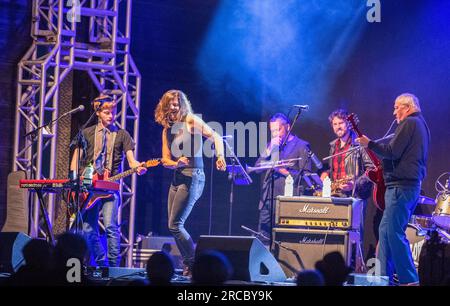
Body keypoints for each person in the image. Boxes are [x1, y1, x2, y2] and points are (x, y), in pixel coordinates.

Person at [357, 93, 430, 285]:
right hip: (404, 186)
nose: (394, 112)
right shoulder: (421, 125)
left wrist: (369, 144)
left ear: (407, 107)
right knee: (386, 232)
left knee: (395, 233)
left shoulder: (410, 123)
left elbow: (392, 152)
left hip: (401, 187)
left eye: (397, 107)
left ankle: (410, 279)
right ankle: (381, 278)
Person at [154, 89, 226, 276]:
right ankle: (191, 264)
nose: (173, 108)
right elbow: (165, 160)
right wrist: (175, 163)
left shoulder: (191, 121)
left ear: (182, 105)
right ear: (164, 107)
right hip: (177, 177)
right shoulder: (166, 130)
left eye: (176, 104)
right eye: (170, 105)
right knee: (173, 226)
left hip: (194, 176)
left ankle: (194, 264)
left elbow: (216, 136)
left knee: (176, 224)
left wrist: (220, 156)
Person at [70, 95, 147, 267]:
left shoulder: (122, 135)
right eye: (106, 112)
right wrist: (74, 181)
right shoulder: (86, 133)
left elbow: (131, 159)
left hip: (110, 187)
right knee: (88, 228)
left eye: (113, 112)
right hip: (88, 187)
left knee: (111, 226)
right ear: (98, 113)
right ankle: (101, 262)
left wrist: (137, 166)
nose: (111, 115)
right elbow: (76, 158)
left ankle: (113, 266)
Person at [254, 113, 311, 245]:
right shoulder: (271, 145)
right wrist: (269, 149)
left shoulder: (301, 146)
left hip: (288, 200)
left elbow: (306, 177)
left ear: (288, 127)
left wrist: (282, 171)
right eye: (272, 131)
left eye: (278, 130)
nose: (275, 134)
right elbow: (257, 168)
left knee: (286, 240)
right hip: (268, 198)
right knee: (263, 239)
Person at [320, 109, 373, 199]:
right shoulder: (333, 146)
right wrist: (326, 173)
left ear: (348, 124)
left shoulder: (360, 143)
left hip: (354, 196)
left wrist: (355, 184)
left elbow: (372, 170)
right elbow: (335, 169)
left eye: (341, 123)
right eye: (335, 124)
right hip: (334, 195)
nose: (338, 127)